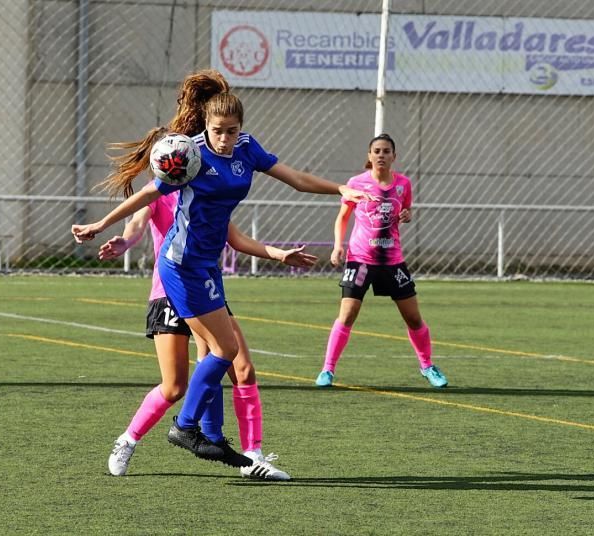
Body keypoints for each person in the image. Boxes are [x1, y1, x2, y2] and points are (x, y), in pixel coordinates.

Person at [72, 69, 372, 470]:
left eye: (231, 130)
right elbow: (147, 194)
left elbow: (295, 179)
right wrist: (99, 225)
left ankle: (218, 440)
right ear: (206, 126)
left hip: (207, 267)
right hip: (180, 266)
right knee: (224, 352)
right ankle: (185, 427)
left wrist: (339, 189)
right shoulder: (190, 154)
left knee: (221, 355)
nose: (225, 138)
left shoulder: (247, 149)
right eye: (218, 131)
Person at [100, 187, 316, 480]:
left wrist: (279, 254)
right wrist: (124, 242)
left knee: (243, 369)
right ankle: (128, 440)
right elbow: (137, 224)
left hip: (206, 292)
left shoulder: (209, 190)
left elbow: (236, 238)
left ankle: (252, 457)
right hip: (168, 293)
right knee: (174, 387)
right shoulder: (159, 191)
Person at [315, 133, 448, 389]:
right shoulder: (356, 183)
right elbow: (342, 217)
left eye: (386, 151)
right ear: (369, 156)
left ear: (393, 156)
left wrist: (407, 215)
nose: (381, 155)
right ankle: (327, 370)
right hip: (360, 259)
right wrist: (337, 247)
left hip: (392, 260)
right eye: (376, 151)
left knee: (413, 318)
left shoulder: (403, 184)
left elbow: (405, 211)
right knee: (347, 314)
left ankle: (427, 366)